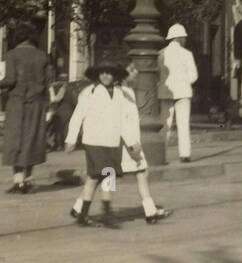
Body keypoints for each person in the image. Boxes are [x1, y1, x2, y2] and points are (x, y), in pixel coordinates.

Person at [65, 64, 138, 229]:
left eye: (109, 73)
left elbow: (123, 121)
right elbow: (77, 116)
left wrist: (131, 142)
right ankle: (106, 213)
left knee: (102, 177)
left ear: (115, 76)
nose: (105, 76)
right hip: (94, 140)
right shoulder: (89, 92)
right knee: (100, 175)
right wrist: (71, 139)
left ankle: (85, 214)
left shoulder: (120, 94)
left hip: (112, 141)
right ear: (97, 75)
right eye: (102, 73)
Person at [0, 23, 51, 194]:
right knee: (32, 139)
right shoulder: (42, 56)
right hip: (37, 103)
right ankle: (28, 179)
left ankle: (18, 181)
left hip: (17, 102)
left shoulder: (12, 55)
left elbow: (11, 79)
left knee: (15, 140)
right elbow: (47, 81)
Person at [120, 62, 172, 224]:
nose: (136, 73)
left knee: (141, 172)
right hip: (126, 143)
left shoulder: (127, 92)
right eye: (132, 70)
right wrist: (131, 143)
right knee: (101, 176)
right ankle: (84, 207)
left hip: (128, 142)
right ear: (124, 74)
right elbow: (122, 121)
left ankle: (150, 211)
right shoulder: (122, 93)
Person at [158, 23, 198, 163]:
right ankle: (185, 154)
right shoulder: (187, 54)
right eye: (184, 37)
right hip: (183, 91)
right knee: (183, 123)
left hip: (165, 92)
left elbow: (157, 74)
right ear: (180, 38)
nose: (185, 40)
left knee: (165, 123)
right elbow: (194, 76)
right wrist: (184, 82)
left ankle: (161, 154)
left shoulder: (161, 54)